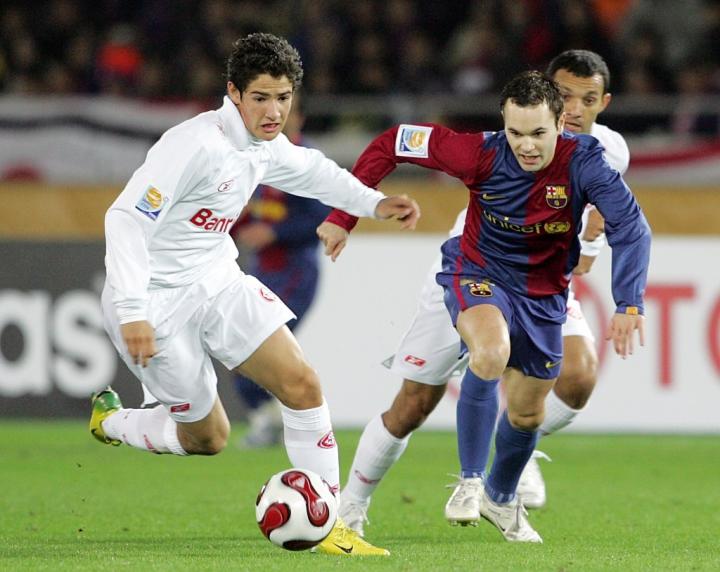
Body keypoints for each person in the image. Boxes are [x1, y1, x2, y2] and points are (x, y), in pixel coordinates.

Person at [92, 32, 420, 557]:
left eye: (284, 97)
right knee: (208, 438)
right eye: (261, 97)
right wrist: (132, 310)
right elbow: (126, 218)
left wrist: (374, 204)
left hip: (217, 281)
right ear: (234, 92)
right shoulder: (193, 144)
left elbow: (314, 173)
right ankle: (110, 421)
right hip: (154, 301)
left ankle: (329, 523)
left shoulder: (264, 145)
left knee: (302, 384)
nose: (274, 112)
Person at [319, 70, 650, 542]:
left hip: (542, 292)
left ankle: (499, 496)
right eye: (516, 133)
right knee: (427, 394)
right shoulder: (477, 151)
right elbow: (394, 141)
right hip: (474, 272)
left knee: (529, 413)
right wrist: (344, 215)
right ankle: (359, 504)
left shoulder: (589, 161)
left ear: (561, 124)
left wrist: (629, 303)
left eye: (538, 133)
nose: (526, 146)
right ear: (502, 123)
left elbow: (631, 228)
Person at [230, 97, 330, 449]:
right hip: (263, 271)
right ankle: (271, 418)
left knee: (257, 345)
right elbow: (253, 211)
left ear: (298, 117)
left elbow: (322, 218)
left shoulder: (306, 161)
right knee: (242, 346)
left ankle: (284, 420)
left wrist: (274, 232)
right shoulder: (260, 157)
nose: (275, 118)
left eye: (284, 112)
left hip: (296, 271)